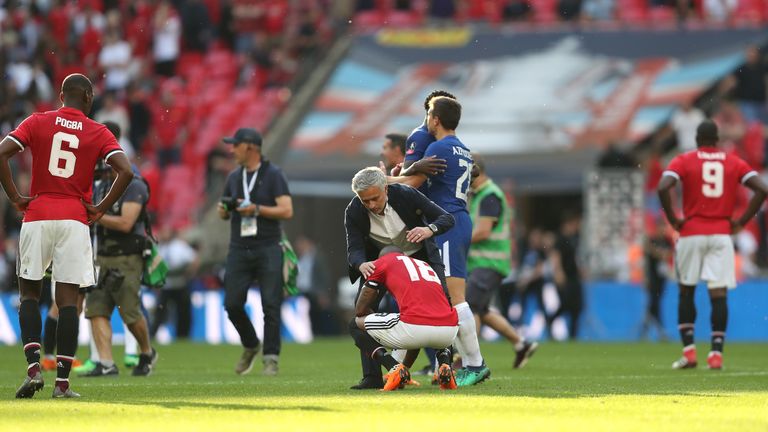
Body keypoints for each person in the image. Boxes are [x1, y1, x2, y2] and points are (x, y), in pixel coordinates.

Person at [0, 74, 134, 398]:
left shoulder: (37, 121)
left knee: (29, 296)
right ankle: (62, 384)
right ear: (88, 98)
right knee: (68, 302)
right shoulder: (98, 131)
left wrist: (15, 196)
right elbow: (126, 171)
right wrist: (100, 207)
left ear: (61, 95)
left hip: (38, 214)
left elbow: (1, 152)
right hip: (75, 219)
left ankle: (34, 369)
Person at [389, 96, 489, 386]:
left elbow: (412, 186)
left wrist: (382, 180)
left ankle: (475, 364)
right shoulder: (464, 150)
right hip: (457, 221)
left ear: (436, 119)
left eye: (430, 114)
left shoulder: (437, 147)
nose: (427, 120)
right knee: (443, 298)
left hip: (446, 224)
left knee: (455, 299)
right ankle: (422, 364)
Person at [658, 120, 768, 370]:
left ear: (697, 139)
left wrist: (674, 219)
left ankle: (689, 353)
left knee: (686, 290)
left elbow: (664, 186)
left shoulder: (684, 160)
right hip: (721, 234)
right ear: (717, 139)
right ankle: (716, 355)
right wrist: (741, 221)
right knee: (718, 294)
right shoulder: (733, 161)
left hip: (692, 232)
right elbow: (762, 189)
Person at [345, 167, 454, 389]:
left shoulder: (405, 194)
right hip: (382, 265)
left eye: (375, 198)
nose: (371, 205)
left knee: (442, 304)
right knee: (362, 311)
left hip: (422, 259)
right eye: (365, 201)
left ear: (386, 188)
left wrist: (429, 230)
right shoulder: (354, 210)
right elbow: (354, 248)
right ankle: (372, 377)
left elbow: (446, 218)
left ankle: (444, 367)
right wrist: (361, 263)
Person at [82, 121, 158, 378]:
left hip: (128, 257)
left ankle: (146, 351)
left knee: (129, 311)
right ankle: (105, 362)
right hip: (103, 256)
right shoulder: (103, 185)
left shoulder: (134, 185)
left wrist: (96, 214)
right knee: (96, 309)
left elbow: (126, 223)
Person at [217, 127, 293, 376]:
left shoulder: (274, 175)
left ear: (250, 147)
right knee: (232, 303)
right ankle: (251, 344)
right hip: (239, 247)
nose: (231, 149)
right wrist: (224, 209)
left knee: (271, 305)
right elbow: (225, 210)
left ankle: (271, 358)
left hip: (268, 245)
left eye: (235, 145)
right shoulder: (233, 177)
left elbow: (286, 210)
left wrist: (257, 209)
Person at [350, 246, 459, 391]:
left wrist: (369, 315)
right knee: (431, 320)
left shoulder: (383, 262)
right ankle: (445, 365)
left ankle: (392, 367)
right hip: (449, 331)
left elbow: (360, 308)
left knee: (355, 324)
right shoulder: (424, 264)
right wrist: (405, 369)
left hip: (414, 327)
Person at [467, 153, 537, 368]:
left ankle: (468, 361)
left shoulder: (489, 195)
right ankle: (521, 344)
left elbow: (483, 232)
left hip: (488, 263)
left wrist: (452, 240)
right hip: (485, 263)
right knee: (483, 310)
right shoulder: (480, 194)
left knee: (469, 308)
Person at [549, 211, 584, 339]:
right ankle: (551, 320)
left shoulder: (574, 238)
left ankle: (573, 335)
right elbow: (555, 256)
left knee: (578, 307)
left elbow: (574, 258)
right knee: (567, 304)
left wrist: (580, 270)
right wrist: (558, 272)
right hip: (566, 276)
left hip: (574, 276)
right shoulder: (560, 238)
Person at [641, 217, 672, 341]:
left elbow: (668, 255)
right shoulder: (652, 239)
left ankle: (646, 329)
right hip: (652, 278)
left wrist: (656, 252)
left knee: (653, 304)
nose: (662, 230)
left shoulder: (666, 241)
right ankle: (661, 331)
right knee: (654, 303)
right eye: (661, 227)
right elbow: (647, 258)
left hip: (662, 278)